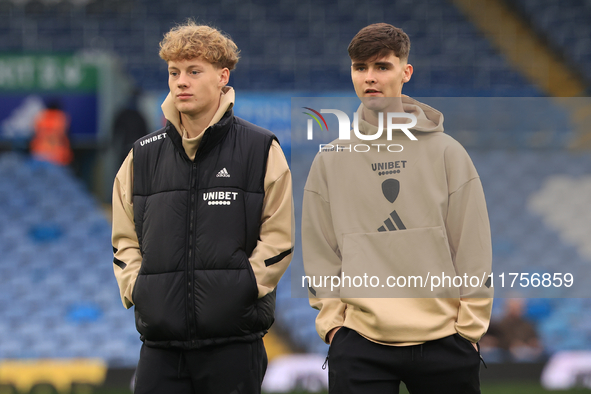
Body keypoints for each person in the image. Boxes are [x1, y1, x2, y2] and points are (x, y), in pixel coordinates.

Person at [302, 23, 493, 393]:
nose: (370, 78)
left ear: (405, 72)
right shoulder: (331, 160)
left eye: (382, 67)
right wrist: (334, 325)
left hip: (445, 340)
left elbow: (472, 245)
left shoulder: (448, 153)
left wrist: (469, 329)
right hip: (359, 341)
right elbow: (320, 250)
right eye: (361, 68)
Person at [111, 21, 293, 394]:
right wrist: (138, 288)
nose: (181, 82)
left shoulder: (260, 150)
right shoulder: (141, 156)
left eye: (194, 71)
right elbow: (122, 237)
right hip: (160, 348)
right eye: (174, 72)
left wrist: (242, 290)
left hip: (234, 345)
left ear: (222, 76)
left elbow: (278, 238)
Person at [30, 100, 73, 166]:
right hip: (57, 155)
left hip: (39, 153)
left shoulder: (41, 116)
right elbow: (64, 135)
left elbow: (35, 133)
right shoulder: (61, 117)